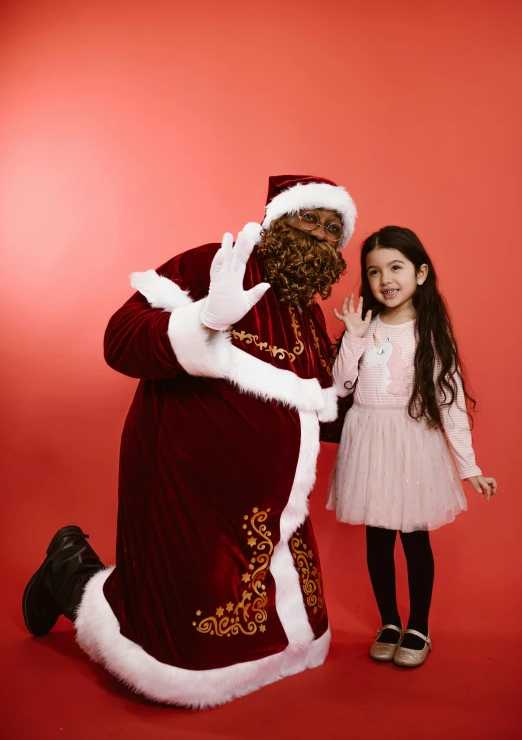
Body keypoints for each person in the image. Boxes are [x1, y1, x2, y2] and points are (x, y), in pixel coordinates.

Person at [23, 175, 357, 708]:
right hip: (188, 487)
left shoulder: (311, 316)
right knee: (178, 642)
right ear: (276, 220)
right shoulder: (212, 264)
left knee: (292, 630)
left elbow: (317, 418)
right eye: (309, 218)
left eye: (332, 227)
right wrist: (201, 319)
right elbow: (120, 339)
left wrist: (359, 368)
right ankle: (68, 569)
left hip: (278, 510)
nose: (320, 233)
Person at [328, 225, 497, 668]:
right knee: (377, 538)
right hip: (368, 439)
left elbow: (451, 404)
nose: (385, 279)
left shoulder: (430, 332)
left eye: (396, 267)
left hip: (410, 442)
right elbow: (339, 386)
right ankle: (389, 621)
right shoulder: (363, 326)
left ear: (420, 273)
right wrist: (354, 337)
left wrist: (470, 466)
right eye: (374, 271)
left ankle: (418, 625)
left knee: (414, 537)